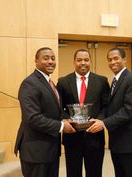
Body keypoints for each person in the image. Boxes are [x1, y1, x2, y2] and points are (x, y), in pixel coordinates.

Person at [14, 47, 75, 177]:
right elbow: (33, 118)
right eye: (46, 58)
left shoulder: (48, 82)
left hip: (50, 149)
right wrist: (61, 126)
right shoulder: (30, 83)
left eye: (53, 58)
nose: (50, 61)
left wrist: (62, 119)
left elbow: (51, 111)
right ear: (36, 61)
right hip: (36, 151)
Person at [87, 47, 132, 177]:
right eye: (110, 60)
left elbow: (129, 110)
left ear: (124, 60)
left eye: (116, 58)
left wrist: (104, 123)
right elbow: (111, 108)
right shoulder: (115, 81)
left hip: (131, 141)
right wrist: (99, 118)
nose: (113, 62)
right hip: (118, 141)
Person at [57, 49, 110, 177]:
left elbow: (107, 106)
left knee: (95, 172)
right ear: (74, 62)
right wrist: (65, 120)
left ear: (90, 61)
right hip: (72, 136)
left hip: (94, 136)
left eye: (86, 60)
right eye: (79, 60)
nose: (83, 63)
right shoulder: (63, 82)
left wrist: (101, 121)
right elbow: (58, 107)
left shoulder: (102, 81)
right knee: (73, 173)